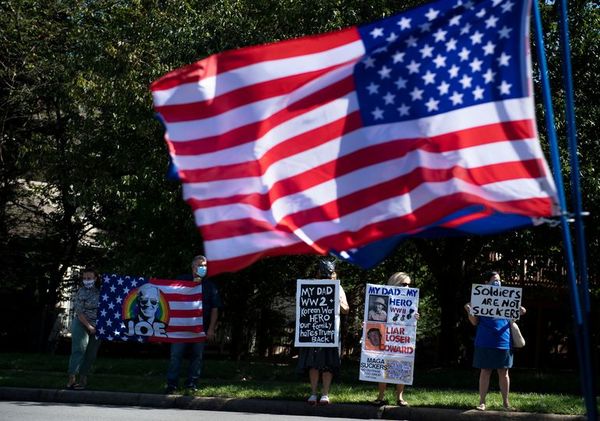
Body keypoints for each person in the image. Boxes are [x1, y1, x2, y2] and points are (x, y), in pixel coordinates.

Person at [464, 271, 526, 411]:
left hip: (504, 341)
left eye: (499, 280)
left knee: (504, 373)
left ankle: (506, 403)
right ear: (486, 283)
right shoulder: (479, 299)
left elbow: (513, 318)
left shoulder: (507, 298)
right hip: (484, 341)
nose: (498, 283)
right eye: (495, 280)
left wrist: (519, 311)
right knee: (485, 371)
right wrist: (469, 311)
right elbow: (474, 322)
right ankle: (482, 402)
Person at [165, 255, 222, 393]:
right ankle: (172, 385)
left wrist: (211, 329)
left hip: (200, 328)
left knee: (197, 357)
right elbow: (169, 297)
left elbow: (215, 308)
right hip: (180, 328)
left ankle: (191, 384)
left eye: (204, 266)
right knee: (176, 355)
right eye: (199, 265)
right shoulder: (181, 280)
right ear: (192, 267)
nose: (202, 268)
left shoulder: (210, 286)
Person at [297, 259, 349, 405]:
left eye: (330, 273)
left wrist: (337, 300)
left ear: (334, 274)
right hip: (313, 331)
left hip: (330, 332)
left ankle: (325, 394)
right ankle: (313, 394)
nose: (327, 276)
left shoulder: (339, 289)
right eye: (324, 273)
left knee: (328, 363)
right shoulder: (309, 287)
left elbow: (346, 309)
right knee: (313, 363)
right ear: (319, 273)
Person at [372, 272, 419, 407]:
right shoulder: (384, 298)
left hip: (402, 338)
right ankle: (380, 396)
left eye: (409, 285)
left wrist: (415, 317)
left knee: (402, 363)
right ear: (395, 284)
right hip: (386, 336)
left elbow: (407, 319)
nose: (408, 288)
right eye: (404, 284)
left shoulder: (411, 301)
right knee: (383, 365)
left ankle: (399, 397)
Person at [67, 268, 101, 390]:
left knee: (91, 353)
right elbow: (79, 312)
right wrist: (89, 326)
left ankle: (83, 378)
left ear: (95, 279)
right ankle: (72, 378)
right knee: (79, 349)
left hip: (97, 326)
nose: (87, 280)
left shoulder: (100, 292)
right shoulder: (80, 292)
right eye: (85, 278)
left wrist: (97, 326)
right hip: (81, 324)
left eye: (89, 278)